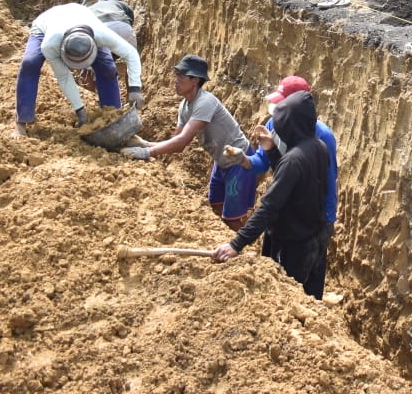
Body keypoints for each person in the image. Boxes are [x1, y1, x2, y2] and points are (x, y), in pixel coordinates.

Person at [212, 89, 331, 299]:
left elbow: (269, 206)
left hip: (292, 245)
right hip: (312, 238)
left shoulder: (293, 160)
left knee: (289, 300)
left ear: (291, 124)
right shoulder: (318, 147)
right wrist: (271, 151)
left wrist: (235, 244)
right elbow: (293, 181)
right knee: (310, 300)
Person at [123, 55, 257, 229]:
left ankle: (242, 251)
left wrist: (147, 152)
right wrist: (145, 144)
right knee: (216, 207)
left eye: (181, 76)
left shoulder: (205, 102)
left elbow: (182, 142)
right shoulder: (185, 106)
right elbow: (176, 142)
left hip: (239, 160)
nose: (176, 80)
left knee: (232, 219)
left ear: (195, 80)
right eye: (176, 75)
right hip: (222, 161)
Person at [16, 1, 144, 132]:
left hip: (83, 21)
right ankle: (22, 121)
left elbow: (131, 54)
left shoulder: (101, 34)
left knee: (108, 68)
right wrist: (80, 110)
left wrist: (135, 89)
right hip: (45, 27)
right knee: (30, 63)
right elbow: (64, 77)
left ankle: (112, 116)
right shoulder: (49, 45)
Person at [238, 75, 339, 234]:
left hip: (310, 214)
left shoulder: (323, 136)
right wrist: (243, 160)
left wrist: (327, 218)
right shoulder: (273, 124)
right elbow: (262, 162)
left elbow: (328, 179)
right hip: (284, 205)